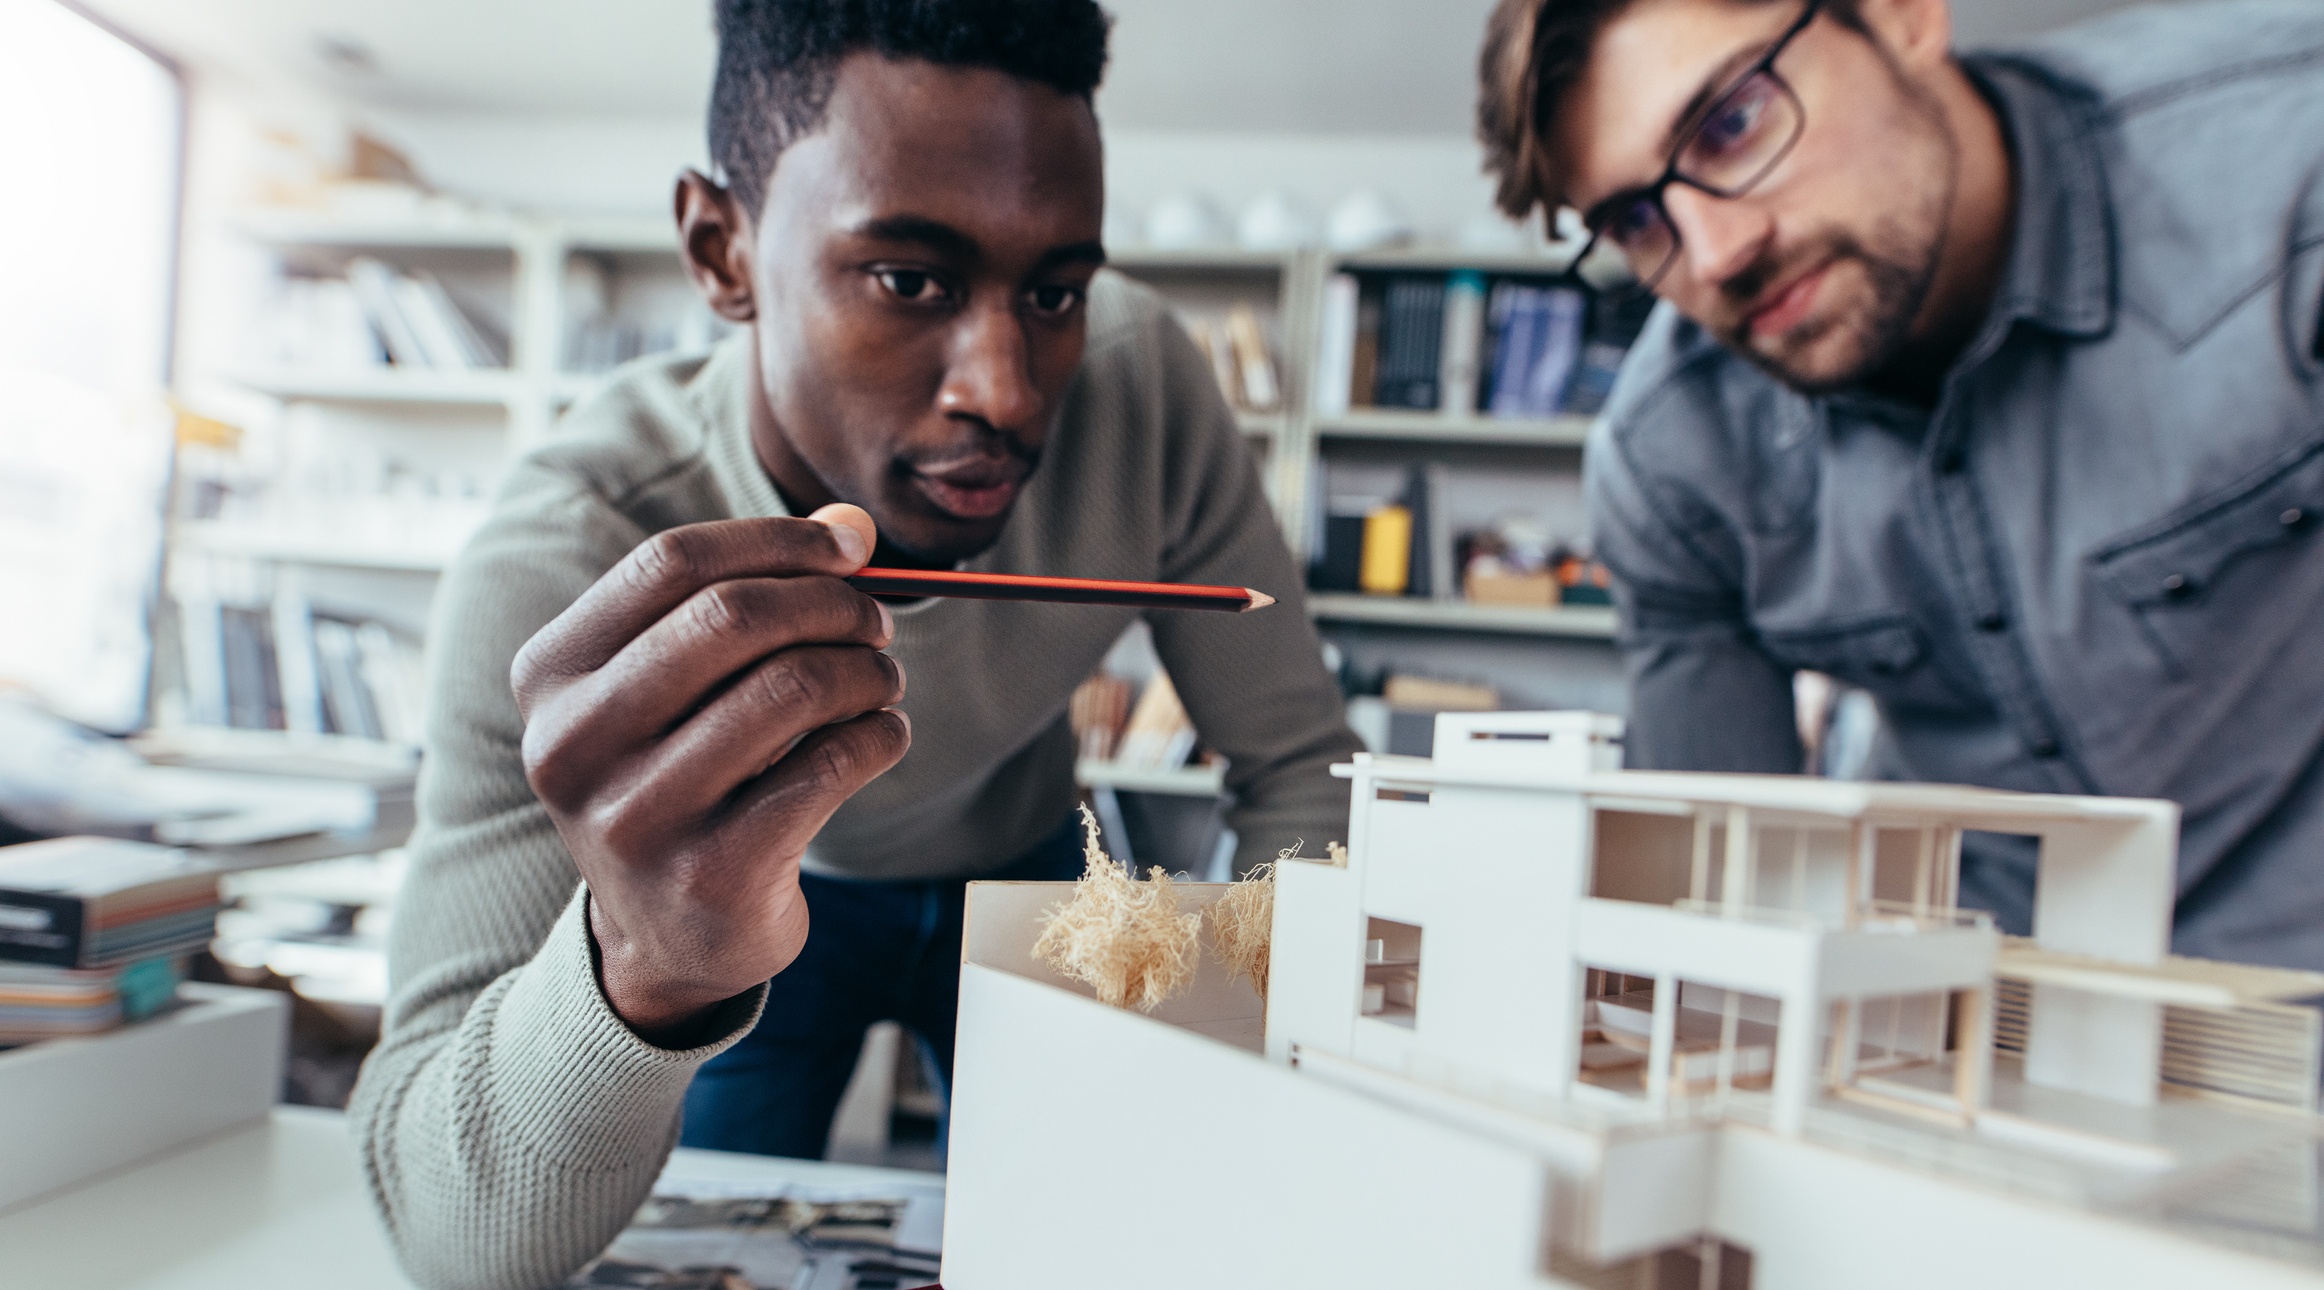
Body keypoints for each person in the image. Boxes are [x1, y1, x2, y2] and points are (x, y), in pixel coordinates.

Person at [348, 1, 1363, 1284]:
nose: (1004, 390)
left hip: (1028, 872)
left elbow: (1302, 773)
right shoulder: (566, 554)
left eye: (1053, 292)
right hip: (753, 913)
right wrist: (646, 966)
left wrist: (1229, 1046)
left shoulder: (1143, 384)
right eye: (909, 280)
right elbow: (455, 1243)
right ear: (720, 250)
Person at [1477, 0, 2324, 967]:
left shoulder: (2292, 159)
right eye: (1636, 220)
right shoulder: (1672, 460)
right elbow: (1715, 923)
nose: (1715, 255)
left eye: (1733, 123)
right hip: (1969, 1018)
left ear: (1903, 17)